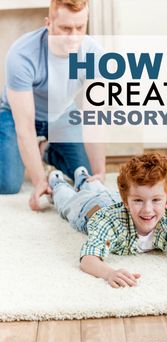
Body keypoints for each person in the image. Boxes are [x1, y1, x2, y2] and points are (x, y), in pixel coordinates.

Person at [0, 0, 105, 211]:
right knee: (8, 184)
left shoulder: (93, 53)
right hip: (14, 115)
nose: (73, 36)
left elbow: (95, 117)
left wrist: (99, 172)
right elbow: (25, 127)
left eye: (80, 28)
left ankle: (45, 149)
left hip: (61, 114)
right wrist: (40, 181)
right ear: (49, 23)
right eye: (65, 28)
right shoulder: (22, 54)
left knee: (84, 177)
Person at [48, 152, 167, 288]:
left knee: (100, 189)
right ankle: (57, 181)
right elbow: (88, 259)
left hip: (112, 197)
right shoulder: (110, 221)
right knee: (66, 202)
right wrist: (109, 273)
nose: (147, 209)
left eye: (156, 200)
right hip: (89, 208)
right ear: (126, 202)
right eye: (138, 200)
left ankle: (83, 178)